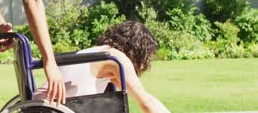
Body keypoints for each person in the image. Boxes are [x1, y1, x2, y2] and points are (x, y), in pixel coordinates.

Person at [33, 20, 170, 113]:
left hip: (40, 107)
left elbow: (129, 90)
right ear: (138, 51)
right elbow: (145, 101)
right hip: (58, 108)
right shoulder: (116, 59)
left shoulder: (97, 52)